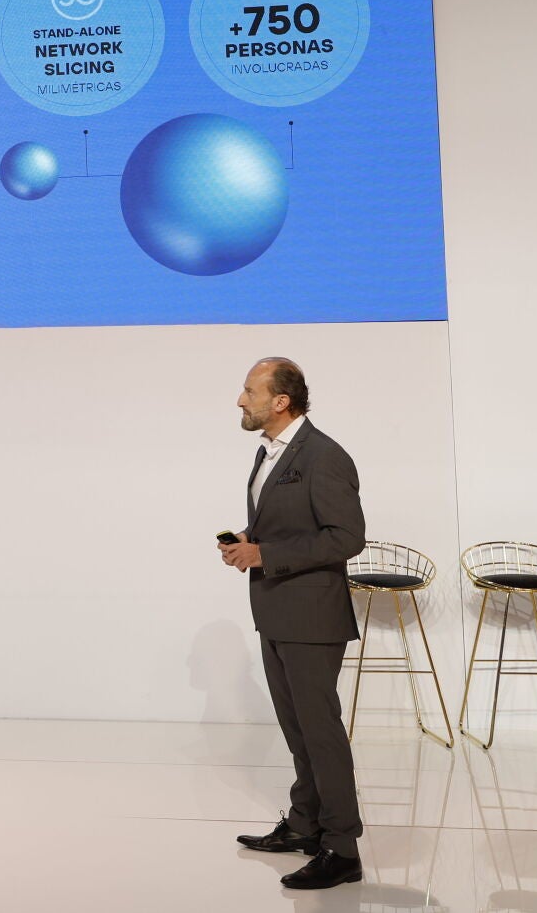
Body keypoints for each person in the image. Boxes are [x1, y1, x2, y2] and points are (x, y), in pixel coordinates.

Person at [221, 358, 366, 890]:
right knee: (297, 729)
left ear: (281, 401)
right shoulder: (269, 453)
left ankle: (342, 848)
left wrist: (267, 554)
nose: (241, 400)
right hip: (276, 612)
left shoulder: (324, 456)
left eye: (249, 390)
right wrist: (249, 541)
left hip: (312, 617)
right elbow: (285, 524)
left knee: (320, 733)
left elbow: (347, 537)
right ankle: (306, 824)